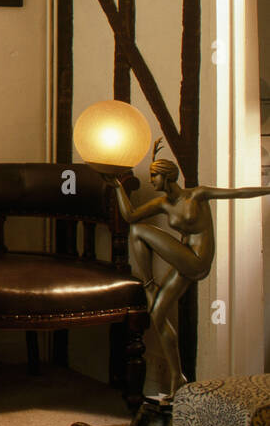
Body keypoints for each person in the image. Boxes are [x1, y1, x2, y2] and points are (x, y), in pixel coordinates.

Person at [107, 147, 270, 398]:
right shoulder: (163, 204)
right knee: (158, 313)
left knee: (139, 232)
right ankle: (177, 377)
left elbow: (238, 192)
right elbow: (129, 215)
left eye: (154, 176)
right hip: (184, 261)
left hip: (198, 260)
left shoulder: (197, 195)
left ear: (167, 176)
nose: (151, 181)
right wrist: (118, 187)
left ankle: (148, 283)